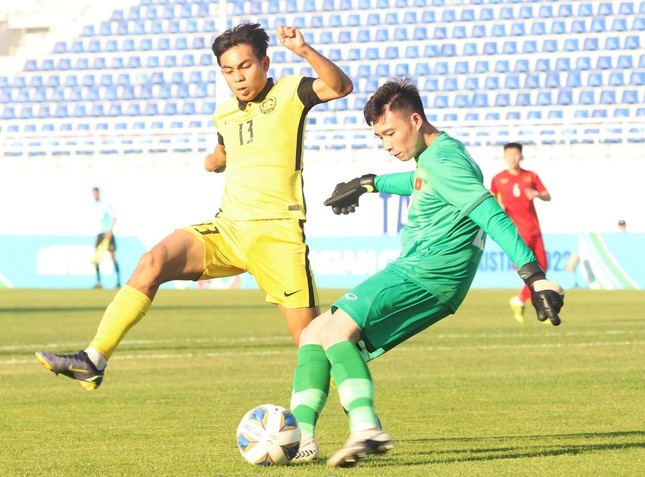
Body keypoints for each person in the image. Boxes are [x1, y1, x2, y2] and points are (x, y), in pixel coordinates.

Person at [35, 23, 353, 391]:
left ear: (265, 62)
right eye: (228, 70)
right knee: (152, 261)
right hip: (229, 230)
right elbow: (221, 154)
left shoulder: (290, 92)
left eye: (246, 66)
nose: (238, 77)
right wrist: (213, 162)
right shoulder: (224, 114)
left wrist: (304, 50)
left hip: (278, 235)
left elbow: (340, 86)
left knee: (312, 347)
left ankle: (356, 420)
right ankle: (93, 359)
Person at [288, 80, 564, 467]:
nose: (386, 144)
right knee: (313, 335)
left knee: (335, 332)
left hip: (425, 273)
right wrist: (372, 183)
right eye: (380, 136)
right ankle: (302, 438)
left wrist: (533, 275)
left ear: (415, 120)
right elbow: (420, 183)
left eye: (390, 133)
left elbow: (491, 214)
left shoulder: (444, 161)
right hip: (424, 275)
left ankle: (366, 427)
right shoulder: (437, 156)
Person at [490, 143, 551, 324]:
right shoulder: (498, 179)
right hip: (516, 234)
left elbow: (548, 195)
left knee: (542, 270)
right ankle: (543, 310)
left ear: (521, 156)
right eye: (509, 154)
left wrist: (537, 194)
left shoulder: (530, 176)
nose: (513, 158)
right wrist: (497, 205)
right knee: (529, 273)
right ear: (505, 157)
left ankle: (519, 301)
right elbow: (490, 197)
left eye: (516, 154)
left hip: (535, 231)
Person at [91, 187, 121, 289]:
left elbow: (114, 217)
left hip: (108, 234)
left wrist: (110, 230)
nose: (95, 195)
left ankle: (118, 281)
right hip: (99, 234)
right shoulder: (94, 206)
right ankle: (99, 282)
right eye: (93, 193)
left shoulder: (105, 204)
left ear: (99, 193)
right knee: (97, 258)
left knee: (112, 257)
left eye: (96, 193)